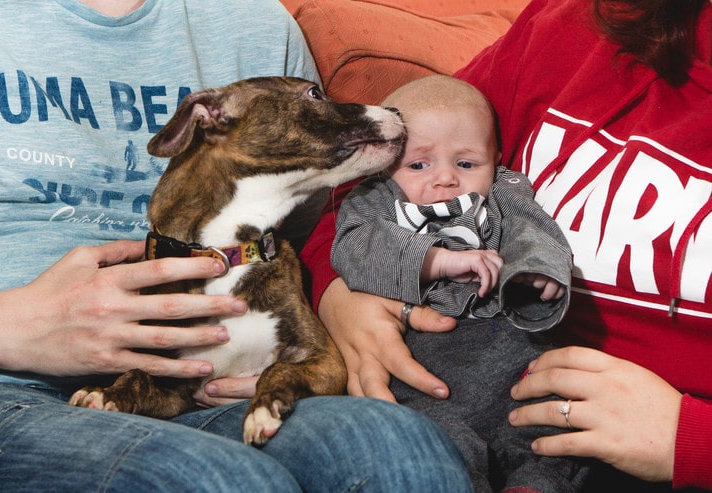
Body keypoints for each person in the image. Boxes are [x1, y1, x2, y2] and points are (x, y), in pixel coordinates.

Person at [0, 1, 473, 491]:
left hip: (208, 395)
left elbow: (315, 228)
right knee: (224, 479)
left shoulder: (255, 23)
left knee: (398, 444)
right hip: (1, 387)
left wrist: (340, 296)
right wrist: (9, 327)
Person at [300, 0, 712, 490]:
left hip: (632, 459)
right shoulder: (576, 23)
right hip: (435, 384)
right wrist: (341, 296)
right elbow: (363, 188)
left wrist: (689, 440)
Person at [330, 75, 588, 492]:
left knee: (555, 430)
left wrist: (536, 271)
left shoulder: (505, 193)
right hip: (425, 373)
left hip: (513, 362)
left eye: (466, 164)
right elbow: (353, 248)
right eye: (418, 164)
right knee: (435, 446)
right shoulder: (375, 200)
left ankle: (534, 484)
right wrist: (437, 259)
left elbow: (532, 231)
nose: (445, 179)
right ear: (383, 163)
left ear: (496, 159)